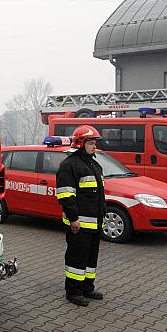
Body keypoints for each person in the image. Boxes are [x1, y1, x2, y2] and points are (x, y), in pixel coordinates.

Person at [56, 125, 105, 306]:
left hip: (95, 223)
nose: (94, 146)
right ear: (80, 143)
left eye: (95, 143)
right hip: (79, 224)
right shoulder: (69, 165)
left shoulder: (94, 164)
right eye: (91, 143)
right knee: (76, 258)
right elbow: (65, 195)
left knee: (91, 259)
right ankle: (73, 292)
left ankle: (87, 288)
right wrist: (74, 219)